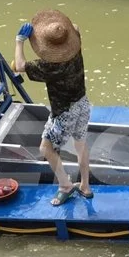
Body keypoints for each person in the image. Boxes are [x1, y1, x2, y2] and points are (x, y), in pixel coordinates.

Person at [13, 10, 93, 206]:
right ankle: (85, 186)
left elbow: (20, 65)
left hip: (65, 112)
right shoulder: (76, 48)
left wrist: (20, 40)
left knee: (46, 148)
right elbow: (75, 28)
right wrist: (61, 29)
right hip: (82, 103)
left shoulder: (48, 67)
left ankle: (65, 186)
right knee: (80, 144)